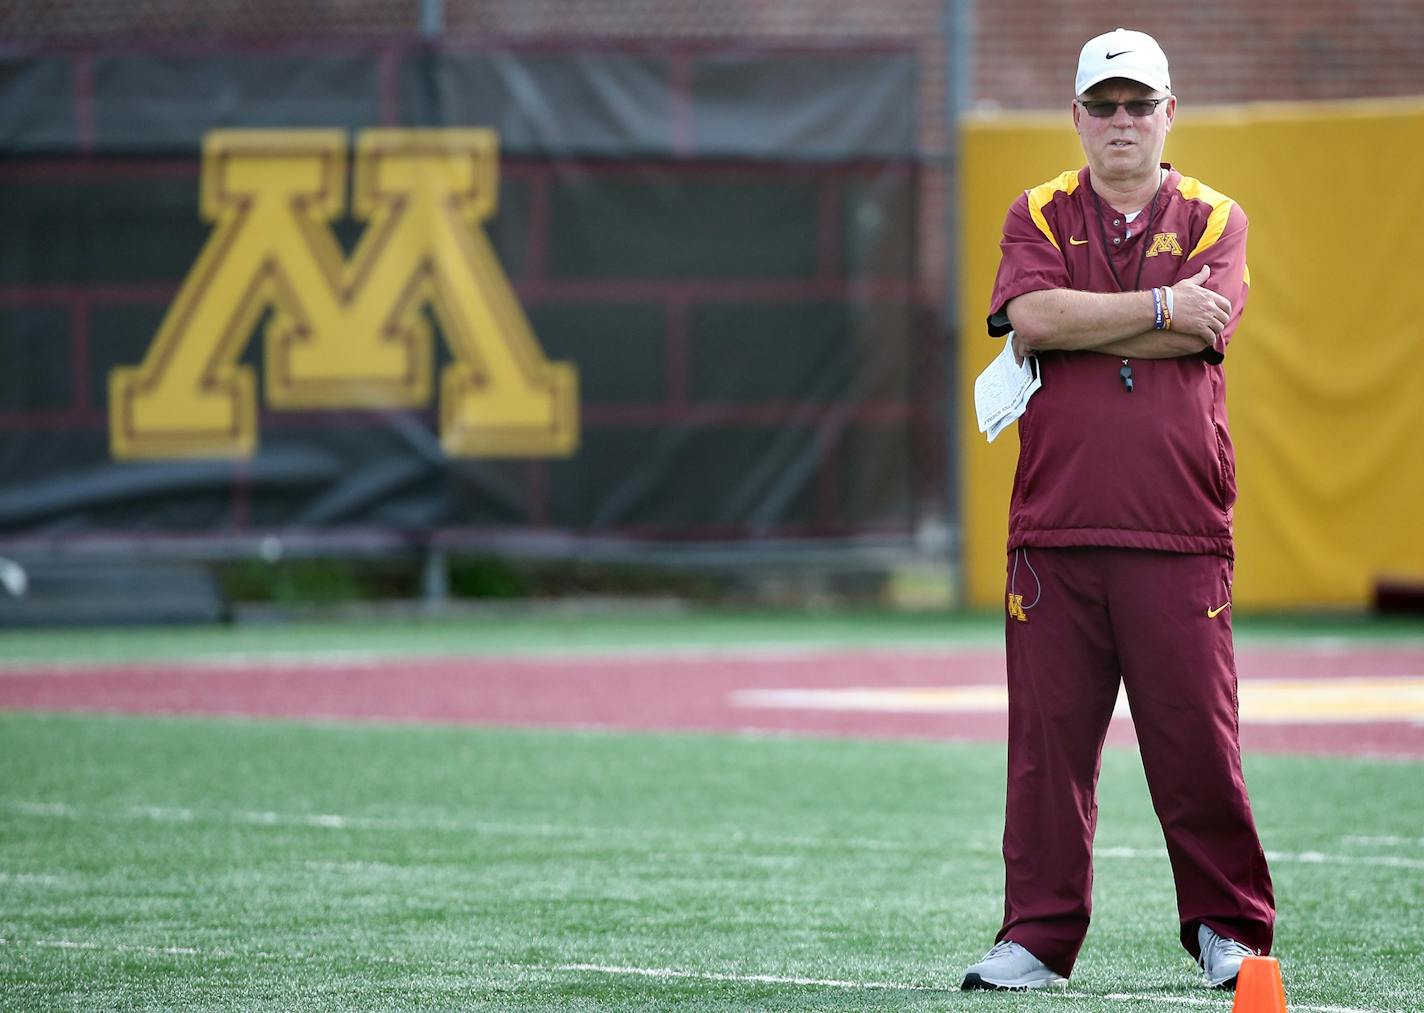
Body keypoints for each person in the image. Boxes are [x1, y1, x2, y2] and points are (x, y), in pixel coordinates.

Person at [960, 28, 1276, 992]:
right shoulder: (1038, 210)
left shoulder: (1219, 215)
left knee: (1195, 738)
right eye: (1104, 106)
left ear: (1169, 113)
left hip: (1178, 522)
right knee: (1045, 748)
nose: (1122, 122)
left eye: (1140, 104)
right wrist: (1158, 306)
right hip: (1055, 525)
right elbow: (1033, 318)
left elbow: (1205, 330)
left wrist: (1102, 310)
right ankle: (1036, 938)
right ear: (1079, 119)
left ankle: (1229, 927)